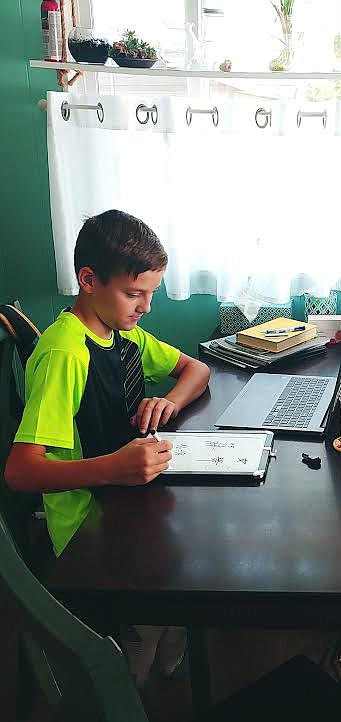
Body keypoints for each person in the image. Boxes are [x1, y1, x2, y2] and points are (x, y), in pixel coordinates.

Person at [5, 209, 211, 685]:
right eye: (133, 294)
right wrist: (112, 469)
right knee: (156, 603)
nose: (145, 308)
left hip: (129, 495)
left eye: (150, 295)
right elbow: (20, 472)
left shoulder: (124, 333)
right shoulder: (64, 354)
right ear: (89, 279)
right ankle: (126, 680)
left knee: (189, 552)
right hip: (88, 524)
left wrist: (168, 401)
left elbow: (195, 371)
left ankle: (167, 646)